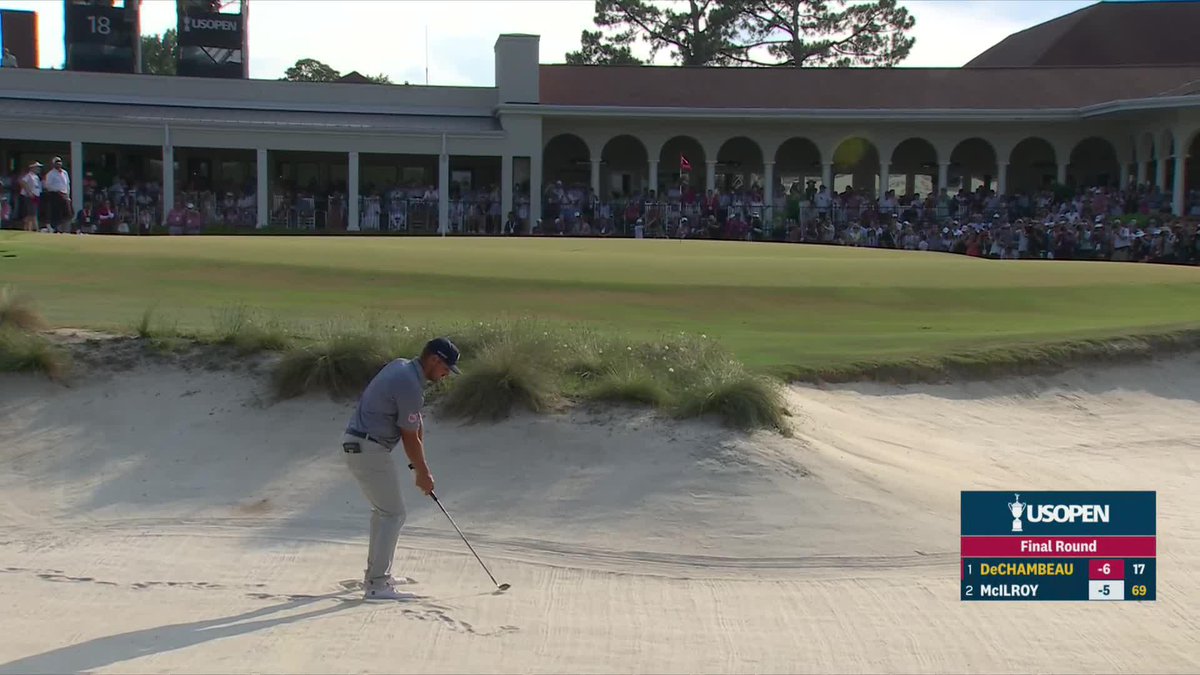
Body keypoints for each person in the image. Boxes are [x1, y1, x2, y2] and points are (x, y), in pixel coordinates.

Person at [342, 337, 461, 600]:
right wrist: (423, 473)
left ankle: (374, 576)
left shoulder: (401, 367)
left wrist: (419, 468)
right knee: (393, 514)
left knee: (384, 512)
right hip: (369, 448)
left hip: (359, 445)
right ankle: (377, 584)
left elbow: (415, 425)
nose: (446, 375)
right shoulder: (409, 384)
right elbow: (408, 436)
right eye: (445, 369)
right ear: (434, 360)